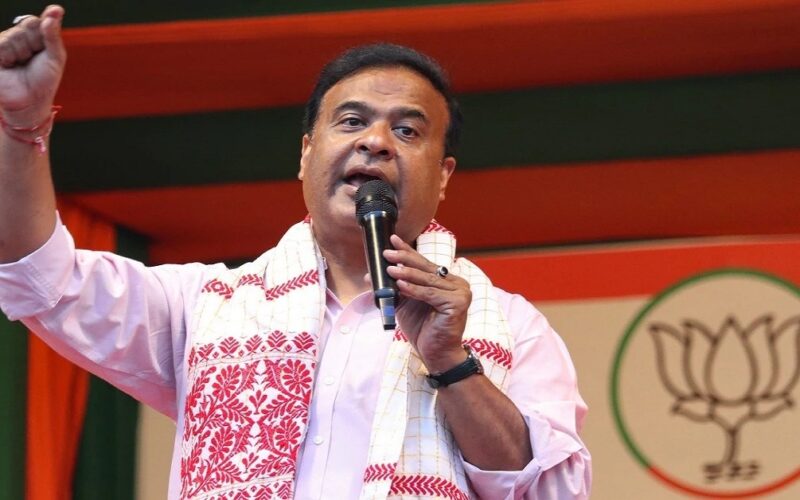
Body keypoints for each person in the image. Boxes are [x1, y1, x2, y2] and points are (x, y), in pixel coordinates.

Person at [0, 5, 591, 499]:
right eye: (352, 121)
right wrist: (19, 125)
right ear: (307, 154)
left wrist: (452, 362)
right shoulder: (205, 307)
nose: (376, 142)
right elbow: (41, 275)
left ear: (443, 176)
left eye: (407, 131)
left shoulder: (509, 324)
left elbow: (551, 489)